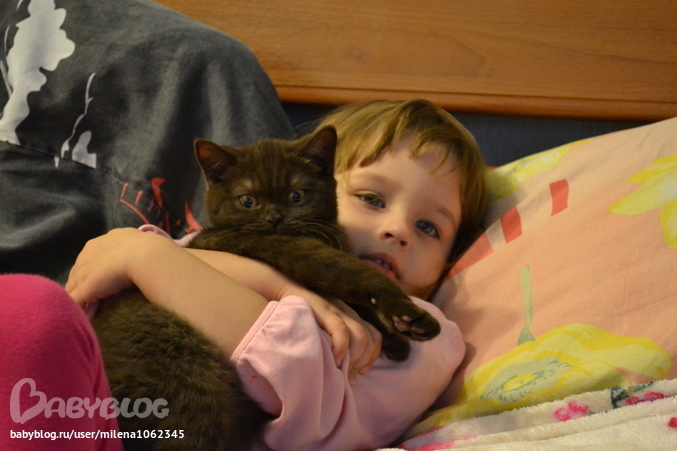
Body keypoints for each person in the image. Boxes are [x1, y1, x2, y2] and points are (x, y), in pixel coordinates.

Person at [2, 100, 489, 450]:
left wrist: (146, 260)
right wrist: (278, 285)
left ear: (452, 259)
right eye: (372, 199)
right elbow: (119, 270)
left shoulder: (428, 337)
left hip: (160, 430)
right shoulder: (222, 245)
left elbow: (289, 374)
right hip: (86, 407)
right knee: (26, 306)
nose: (397, 230)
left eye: (429, 227)